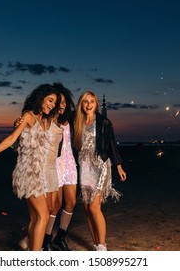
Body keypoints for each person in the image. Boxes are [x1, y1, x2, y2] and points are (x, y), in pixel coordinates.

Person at [0, 84, 59, 251]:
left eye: (54, 102)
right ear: (40, 98)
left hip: (38, 173)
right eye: (50, 100)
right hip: (28, 172)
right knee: (43, 215)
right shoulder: (28, 116)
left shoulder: (43, 120)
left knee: (36, 217)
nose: (52, 104)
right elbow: (12, 139)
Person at [73, 90, 127, 251]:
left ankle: (102, 247)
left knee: (94, 207)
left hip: (100, 164)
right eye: (85, 101)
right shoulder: (78, 121)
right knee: (86, 208)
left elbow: (112, 144)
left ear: (96, 104)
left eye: (92, 101)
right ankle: (96, 243)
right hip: (84, 166)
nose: (88, 105)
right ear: (81, 104)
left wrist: (119, 165)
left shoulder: (104, 122)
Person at [45, 82, 77, 251]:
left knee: (71, 202)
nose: (62, 105)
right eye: (59, 102)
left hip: (70, 163)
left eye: (65, 102)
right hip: (55, 165)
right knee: (54, 205)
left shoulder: (69, 120)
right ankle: (46, 240)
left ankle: (60, 238)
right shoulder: (46, 120)